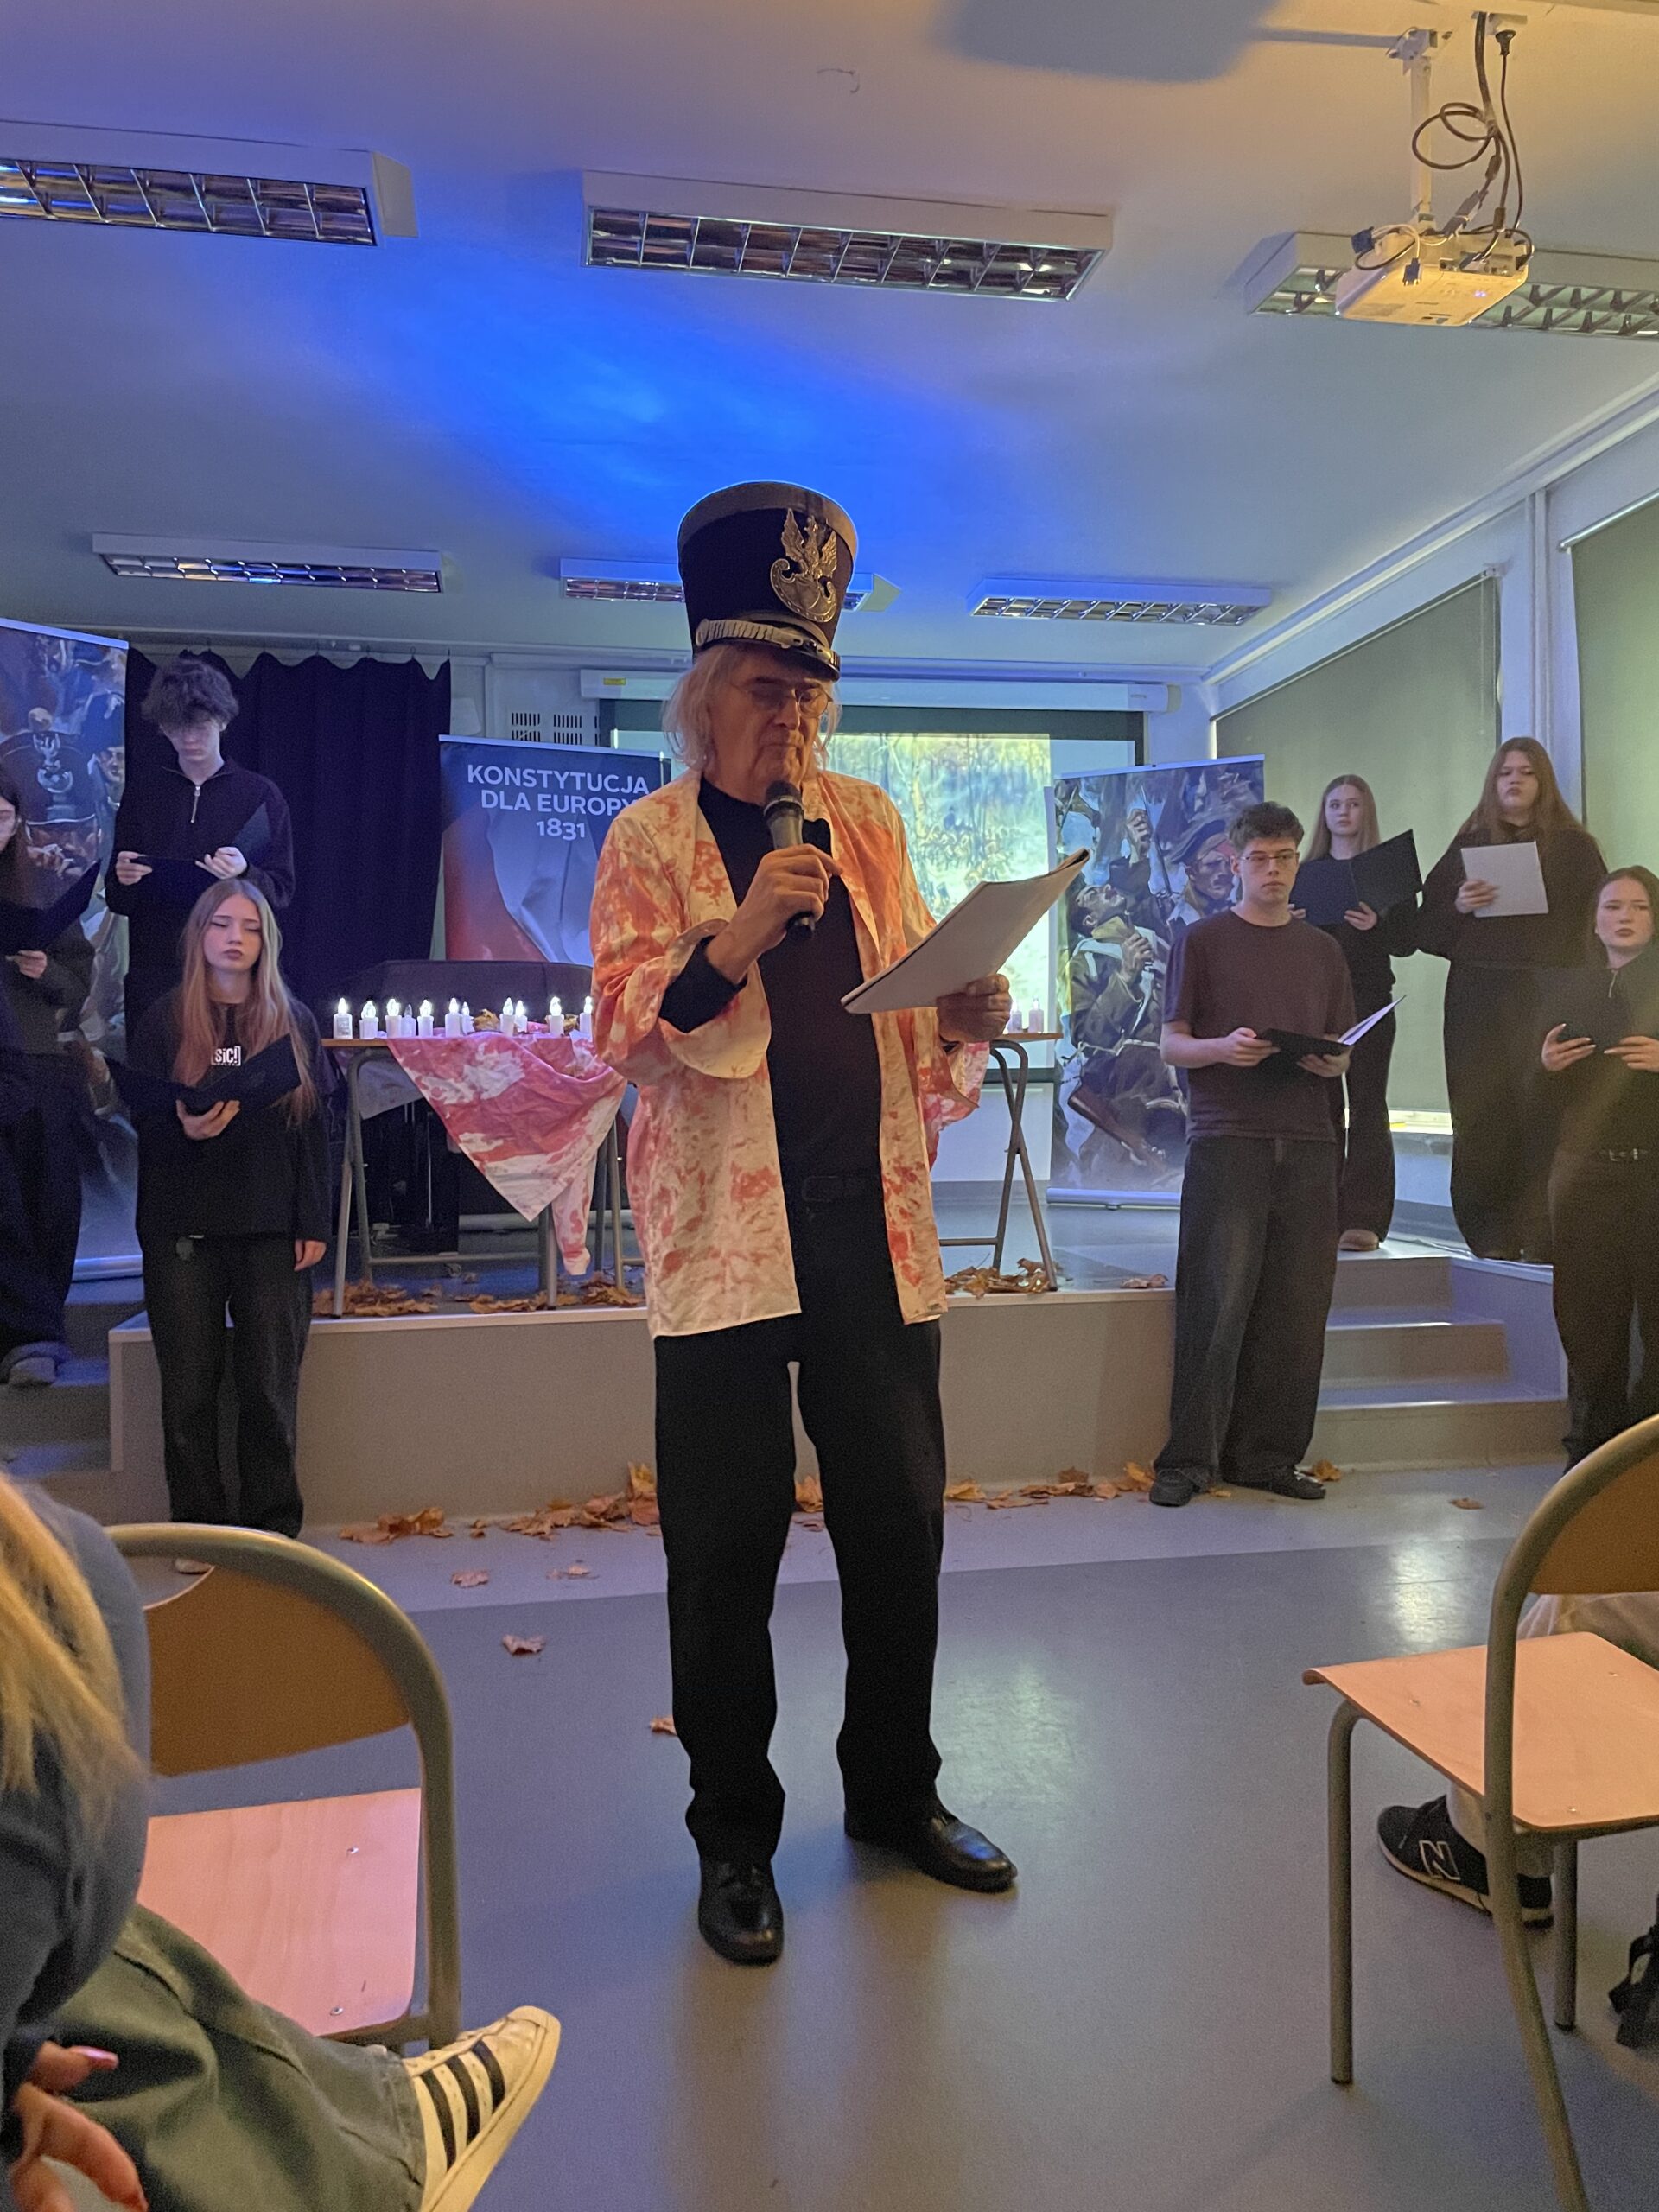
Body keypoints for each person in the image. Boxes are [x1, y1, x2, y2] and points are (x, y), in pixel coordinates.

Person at [590, 480, 1017, 1968]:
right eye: (770, 691)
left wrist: (966, 1009)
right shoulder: (649, 839)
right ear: (706, 694)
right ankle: (734, 1840)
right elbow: (623, 1032)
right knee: (724, 1553)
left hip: (869, 1226)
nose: (796, 719)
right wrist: (737, 936)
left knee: (899, 1525)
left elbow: (909, 997)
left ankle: (896, 1795)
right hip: (724, 1242)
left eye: (812, 693)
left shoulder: (871, 823)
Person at [0, 1469, 557, 2212]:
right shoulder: (52, 1597)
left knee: (82, 2002)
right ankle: (378, 2151)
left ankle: (370, 2125)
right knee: (97, 1970)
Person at [1149, 801, 1355, 1510]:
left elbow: (1341, 1041)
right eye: (1259, 859)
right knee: (1216, 1303)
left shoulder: (1323, 950)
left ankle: (1267, 1456)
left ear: (1298, 862)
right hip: (1228, 1134)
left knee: (1298, 1307)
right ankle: (1188, 1460)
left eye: (1285, 858)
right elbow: (1172, 1042)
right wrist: (1222, 1048)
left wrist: (1334, 1062)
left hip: (1309, 1136)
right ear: (1234, 865)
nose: (1273, 871)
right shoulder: (1202, 940)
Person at [129, 880, 328, 1539]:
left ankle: (272, 1530)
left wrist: (314, 1221)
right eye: (220, 924)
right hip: (182, 1227)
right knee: (189, 1389)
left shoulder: (292, 1019)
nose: (235, 938)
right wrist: (181, 1126)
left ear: (266, 941)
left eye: (249, 926)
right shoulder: (164, 1019)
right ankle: (199, 1528)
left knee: (269, 1387)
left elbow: (313, 1128)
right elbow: (141, 1117)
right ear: (199, 935)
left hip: (270, 1225)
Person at [1417, 738, 1605, 1260]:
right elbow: (1424, 933)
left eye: (1526, 772)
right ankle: (1488, 1236)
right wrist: (1458, 905)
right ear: (1493, 783)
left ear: (1543, 783)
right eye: (1505, 773)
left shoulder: (1574, 848)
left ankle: (1544, 1232)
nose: (1515, 781)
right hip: (1477, 995)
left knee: (1543, 1108)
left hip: (1545, 993)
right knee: (1480, 1111)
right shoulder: (1467, 845)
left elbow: (1595, 928)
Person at [105, 657, 295, 1042]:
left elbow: (281, 893)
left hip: (231, 976)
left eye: (199, 726)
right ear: (162, 727)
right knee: (156, 1071)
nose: (189, 739)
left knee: (230, 1068)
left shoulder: (260, 796)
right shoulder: (144, 794)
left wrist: (244, 874)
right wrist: (124, 878)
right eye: (176, 728)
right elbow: (119, 900)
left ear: (222, 721)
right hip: (157, 972)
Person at [1538, 867, 1659, 1461]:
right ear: (1594, 920)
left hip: (1653, 1171)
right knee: (1587, 1322)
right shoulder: (1567, 989)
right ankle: (1588, 1460)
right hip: (1584, 1173)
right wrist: (1545, 1065)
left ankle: (1643, 1459)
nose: (1624, 917)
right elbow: (1523, 1099)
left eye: (1638, 906)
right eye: (1612, 907)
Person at [0, 766, 92, 1389]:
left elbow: (78, 983)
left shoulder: (42, 887)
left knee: (50, 1199)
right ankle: (22, 1336)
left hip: (39, 1059)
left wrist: (44, 971)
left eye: (3, 816)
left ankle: (42, 1332)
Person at [1303, 773, 1418, 1251]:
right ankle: (1320, 1213)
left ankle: (1366, 1216)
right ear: (1324, 814)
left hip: (1370, 998)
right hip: (1317, 1004)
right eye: (1335, 805)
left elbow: (1409, 942)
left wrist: (1377, 926)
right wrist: (1293, 924)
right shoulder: (1305, 872)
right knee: (1323, 1107)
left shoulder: (1387, 871)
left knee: (1369, 1104)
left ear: (1366, 810)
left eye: (1353, 804)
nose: (1344, 812)